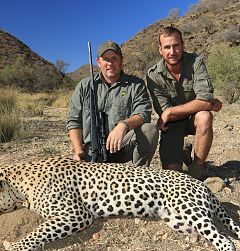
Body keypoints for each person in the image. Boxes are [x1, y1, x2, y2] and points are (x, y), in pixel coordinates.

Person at [146, 26, 222, 180]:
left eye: (176, 46)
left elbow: (205, 101)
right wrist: (204, 104)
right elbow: (165, 113)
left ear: (183, 45)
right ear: (160, 50)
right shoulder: (153, 75)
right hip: (172, 125)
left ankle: (197, 167)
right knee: (173, 176)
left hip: (192, 119)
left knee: (204, 116)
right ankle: (183, 152)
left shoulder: (196, 62)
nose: (172, 52)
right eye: (167, 47)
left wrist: (171, 111)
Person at [67, 40, 158, 167]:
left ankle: (139, 176)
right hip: (90, 152)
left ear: (121, 60)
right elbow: (74, 121)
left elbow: (143, 113)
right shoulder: (84, 85)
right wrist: (78, 151)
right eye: (105, 59)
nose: (110, 63)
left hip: (120, 147)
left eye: (114, 58)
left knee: (149, 130)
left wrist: (123, 125)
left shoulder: (136, 84)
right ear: (98, 62)